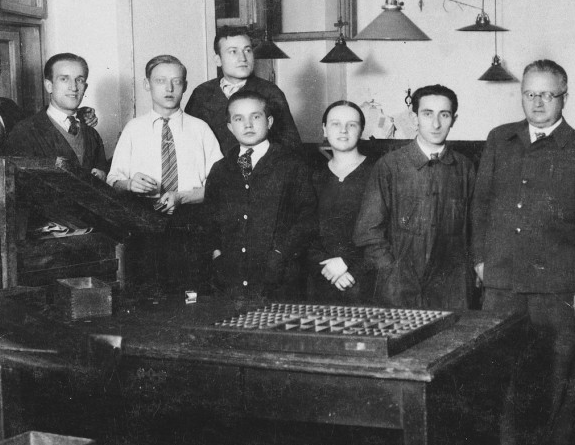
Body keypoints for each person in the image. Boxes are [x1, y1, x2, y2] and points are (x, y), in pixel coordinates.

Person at [472, 59, 575, 445]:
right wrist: (480, 259)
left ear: (564, 97)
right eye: (530, 93)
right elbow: (480, 203)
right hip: (502, 284)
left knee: (557, 380)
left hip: (557, 287)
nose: (538, 102)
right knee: (497, 376)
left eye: (547, 94)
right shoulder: (500, 139)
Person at [353, 84, 474, 309]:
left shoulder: (464, 168)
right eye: (427, 114)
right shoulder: (390, 166)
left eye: (444, 115)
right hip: (398, 291)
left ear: (453, 119)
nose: (436, 124)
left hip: (451, 293)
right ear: (414, 117)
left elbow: (473, 230)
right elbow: (368, 232)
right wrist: (392, 272)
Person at [108, 55, 222, 292]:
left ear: (185, 86)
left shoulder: (200, 129)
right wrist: (129, 184)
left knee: (192, 295)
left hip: (190, 226)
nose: (169, 88)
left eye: (176, 82)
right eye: (160, 81)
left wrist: (182, 197)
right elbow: (113, 180)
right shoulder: (133, 129)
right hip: (144, 226)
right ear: (147, 84)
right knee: (147, 295)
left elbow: (220, 186)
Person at [203, 90, 316, 306]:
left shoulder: (292, 164)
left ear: (269, 121)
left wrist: (280, 254)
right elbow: (209, 219)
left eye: (255, 117)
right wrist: (218, 254)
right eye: (239, 119)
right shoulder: (221, 169)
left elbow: (307, 219)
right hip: (231, 281)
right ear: (229, 127)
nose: (248, 125)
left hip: (279, 280)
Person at [185, 26, 302, 156]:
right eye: (233, 51)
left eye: (247, 50)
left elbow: (291, 145)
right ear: (218, 60)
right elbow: (189, 142)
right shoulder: (202, 93)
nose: (243, 58)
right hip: (215, 172)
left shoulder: (269, 92)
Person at [307, 100, 377, 304]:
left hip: (365, 280)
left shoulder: (379, 173)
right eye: (335, 124)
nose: (343, 130)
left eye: (352, 124)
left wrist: (350, 265)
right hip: (321, 279)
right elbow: (306, 231)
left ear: (361, 130)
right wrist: (326, 269)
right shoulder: (313, 176)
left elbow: (384, 233)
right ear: (324, 129)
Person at [5, 52, 108, 179]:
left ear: (85, 87)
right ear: (49, 86)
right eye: (64, 79)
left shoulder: (92, 134)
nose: (74, 87)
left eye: (79, 80)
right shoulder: (24, 132)